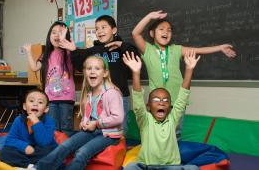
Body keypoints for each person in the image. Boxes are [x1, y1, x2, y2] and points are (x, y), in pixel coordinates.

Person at [132, 10, 236, 139]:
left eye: (169, 30)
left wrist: (219, 48)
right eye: (161, 29)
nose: (166, 32)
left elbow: (198, 50)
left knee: (176, 133)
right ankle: (157, 156)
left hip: (177, 100)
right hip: (157, 101)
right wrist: (149, 17)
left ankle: (175, 157)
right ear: (152, 33)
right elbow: (135, 33)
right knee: (156, 132)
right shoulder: (148, 50)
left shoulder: (176, 49)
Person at [33, 56, 124, 170]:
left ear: (105, 73)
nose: (92, 71)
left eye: (97, 68)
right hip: (91, 130)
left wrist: (96, 124)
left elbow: (118, 118)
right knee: (65, 145)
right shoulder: (90, 92)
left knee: (82, 152)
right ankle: (38, 168)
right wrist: (84, 122)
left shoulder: (112, 93)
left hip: (108, 134)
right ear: (85, 72)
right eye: (89, 68)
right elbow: (89, 114)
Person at [59, 15, 139, 134]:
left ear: (114, 30)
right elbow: (80, 64)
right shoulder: (94, 50)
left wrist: (121, 44)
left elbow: (134, 53)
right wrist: (73, 50)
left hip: (121, 96)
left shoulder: (121, 48)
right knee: (100, 131)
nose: (99, 31)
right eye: (97, 29)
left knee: (121, 131)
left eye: (103, 27)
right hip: (99, 98)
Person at [123, 51, 200, 170]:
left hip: (170, 167)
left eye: (165, 100)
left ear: (170, 107)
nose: (161, 102)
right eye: (156, 100)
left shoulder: (172, 119)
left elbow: (183, 97)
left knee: (193, 168)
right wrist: (136, 73)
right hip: (147, 166)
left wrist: (189, 69)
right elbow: (138, 101)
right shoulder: (145, 120)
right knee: (130, 167)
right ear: (148, 106)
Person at [24, 21, 75, 136]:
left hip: (66, 98)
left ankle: (68, 152)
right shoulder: (46, 54)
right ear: (49, 36)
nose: (57, 35)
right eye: (54, 32)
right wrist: (28, 52)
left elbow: (75, 52)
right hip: (50, 99)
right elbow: (34, 67)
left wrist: (66, 38)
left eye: (60, 32)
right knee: (53, 128)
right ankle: (55, 152)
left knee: (67, 128)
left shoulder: (69, 51)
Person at [0, 89, 57, 168]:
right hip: (25, 151)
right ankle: (28, 165)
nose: (35, 104)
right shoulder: (18, 120)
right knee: (5, 152)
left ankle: (35, 165)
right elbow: (10, 139)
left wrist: (36, 123)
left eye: (40, 102)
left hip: (41, 150)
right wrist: (24, 146)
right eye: (31, 101)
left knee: (52, 151)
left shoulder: (49, 121)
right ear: (25, 106)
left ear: (46, 109)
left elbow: (44, 142)